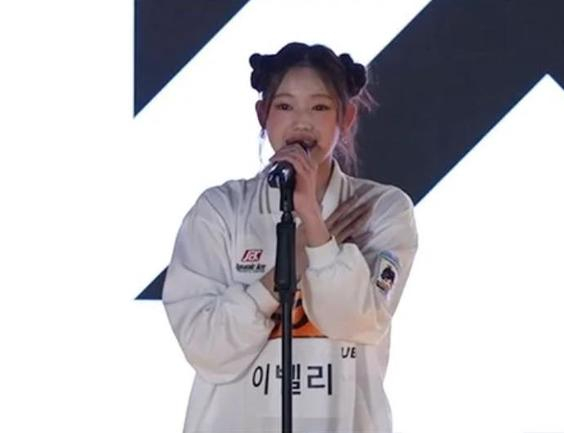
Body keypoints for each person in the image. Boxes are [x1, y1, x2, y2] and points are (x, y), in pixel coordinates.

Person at [162, 42, 418, 433]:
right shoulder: (219, 211)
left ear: (346, 117)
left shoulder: (381, 209)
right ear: (262, 114)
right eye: (284, 106)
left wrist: (313, 222)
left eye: (319, 107)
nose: (302, 122)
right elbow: (206, 347)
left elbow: (356, 321)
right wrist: (293, 257)